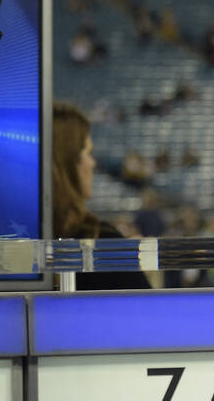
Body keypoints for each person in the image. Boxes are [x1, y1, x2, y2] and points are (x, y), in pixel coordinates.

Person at [51, 101, 149, 290]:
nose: (92, 163)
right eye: (88, 153)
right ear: (67, 162)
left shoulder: (12, 236)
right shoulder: (101, 242)